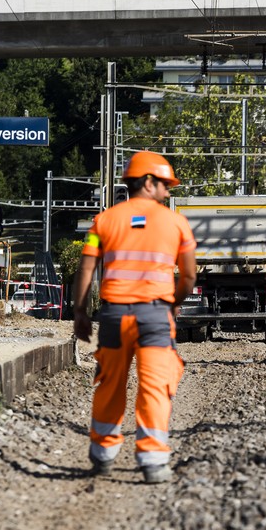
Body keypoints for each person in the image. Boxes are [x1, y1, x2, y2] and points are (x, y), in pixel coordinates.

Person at [72, 151, 197, 484]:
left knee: (109, 383)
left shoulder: (103, 221)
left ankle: (102, 455)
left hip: (113, 316)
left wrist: (80, 311)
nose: (169, 192)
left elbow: (87, 267)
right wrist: (173, 303)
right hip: (155, 315)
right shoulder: (176, 223)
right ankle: (153, 462)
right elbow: (188, 278)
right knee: (155, 386)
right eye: (166, 185)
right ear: (148, 182)